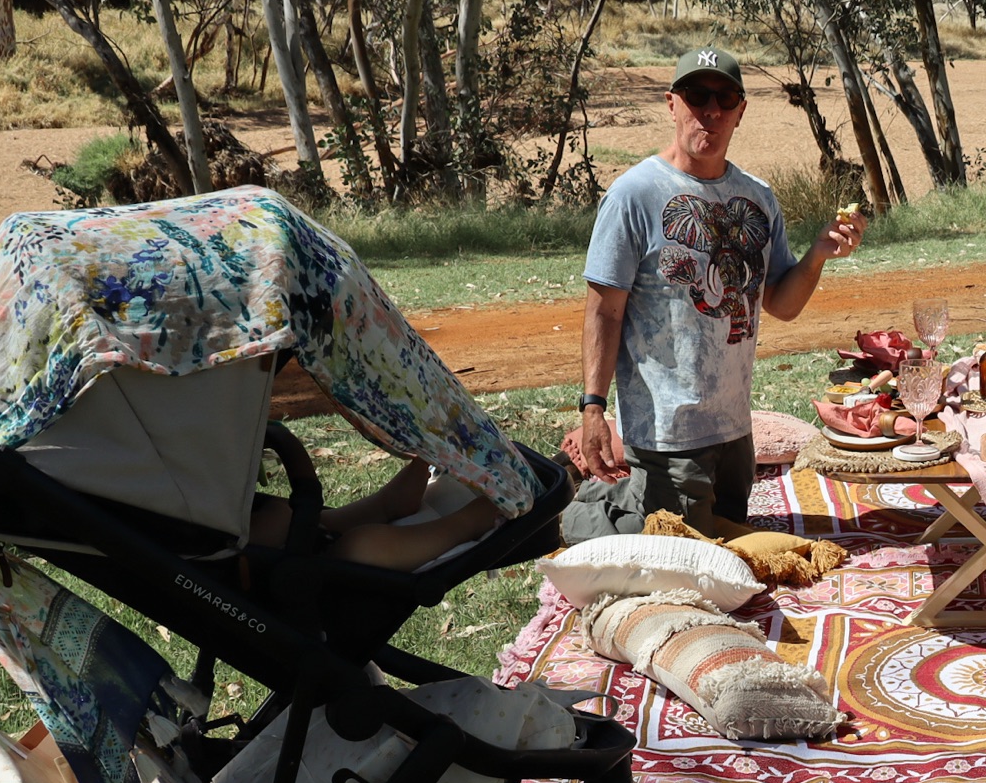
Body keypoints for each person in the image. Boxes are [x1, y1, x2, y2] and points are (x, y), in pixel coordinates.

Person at [566, 46, 866, 540]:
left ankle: (622, 504)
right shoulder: (633, 196)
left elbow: (781, 304)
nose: (711, 110)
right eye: (696, 95)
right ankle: (578, 514)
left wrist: (817, 255)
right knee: (687, 544)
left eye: (725, 99)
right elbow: (604, 313)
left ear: (740, 111)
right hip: (668, 430)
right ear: (672, 103)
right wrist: (593, 408)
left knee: (724, 542)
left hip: (733, 431)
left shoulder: (758, 197)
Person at [249, 457, 503, 571]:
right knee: (359, 548)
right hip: (292, 573)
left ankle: (386, 505)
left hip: (272, 542)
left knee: (293, 518)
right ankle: (469, 522)